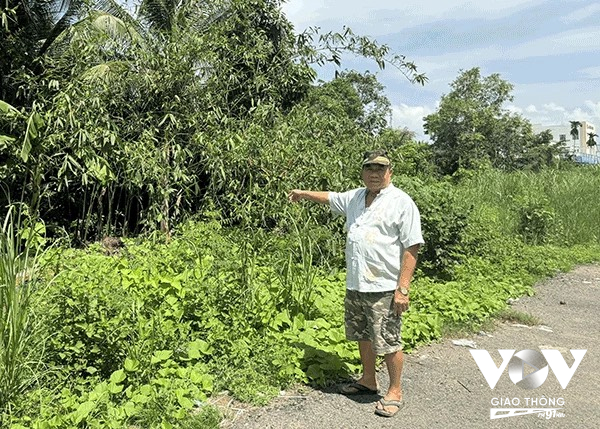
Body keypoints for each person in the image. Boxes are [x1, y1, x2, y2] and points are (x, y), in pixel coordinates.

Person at [288, 149, 423, 418]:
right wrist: (302, 194)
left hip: (384, 286)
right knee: (363, 334)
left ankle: (395, 390)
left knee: (388, 340)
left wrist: (403, 288)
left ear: (390, 172)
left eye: (380, 169)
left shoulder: (401, 202)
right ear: (363, 172)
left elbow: (412, 247)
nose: (375, 174)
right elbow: (330, 197)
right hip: (357, 283)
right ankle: (368, 381)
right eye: (370, 169)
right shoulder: (356, 197)